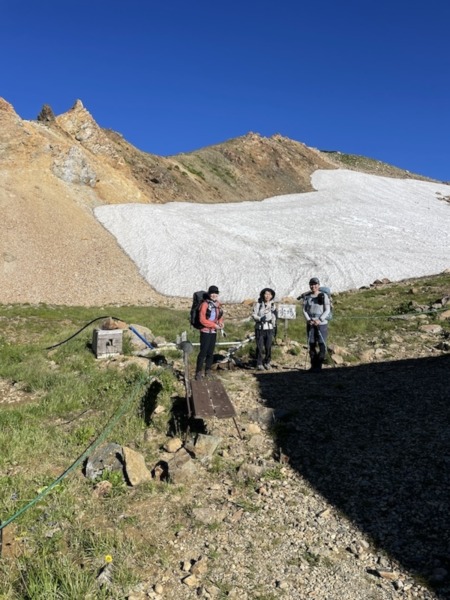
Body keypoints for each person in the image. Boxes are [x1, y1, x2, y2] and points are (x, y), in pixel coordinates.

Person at [195, 286, 224, 380]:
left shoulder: (218, 304)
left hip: (213, 331)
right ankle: (198, 372)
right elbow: (202, 320)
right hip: (205, 331)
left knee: (210, 353)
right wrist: (214, 325)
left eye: (216, 293)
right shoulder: (204, 304)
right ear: (209, 294)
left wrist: (221, 323)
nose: (214, 295)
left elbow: (220, 316)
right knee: (203, 352)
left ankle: (207, 370)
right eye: (212, 293)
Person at [302, 277, 330, 372]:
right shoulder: (307, 297)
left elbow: (327, 310)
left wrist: (320, 319)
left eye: (315, 284)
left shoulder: (324, 296)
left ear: (318, 285)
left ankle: (319, 365)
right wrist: (309, 319)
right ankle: (313, 365)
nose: (313, 286)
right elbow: (304, 310)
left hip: (322, 323)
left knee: (322, 344)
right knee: (311, 344)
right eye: (311, 284)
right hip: (310, 323)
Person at [252, 288, 277, 370]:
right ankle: (259, 363)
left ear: (272, 296)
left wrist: (274, 326)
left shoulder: (273, 305)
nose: (267, 296)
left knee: (268, 346)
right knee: (259, 346)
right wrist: (259, 319)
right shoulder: (258, 304)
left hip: (269, 328)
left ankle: (267, 362)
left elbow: (274, 316)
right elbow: (253, 315)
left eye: (269, 294)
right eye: (266, 294)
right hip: (260, 328)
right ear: (263, 295)